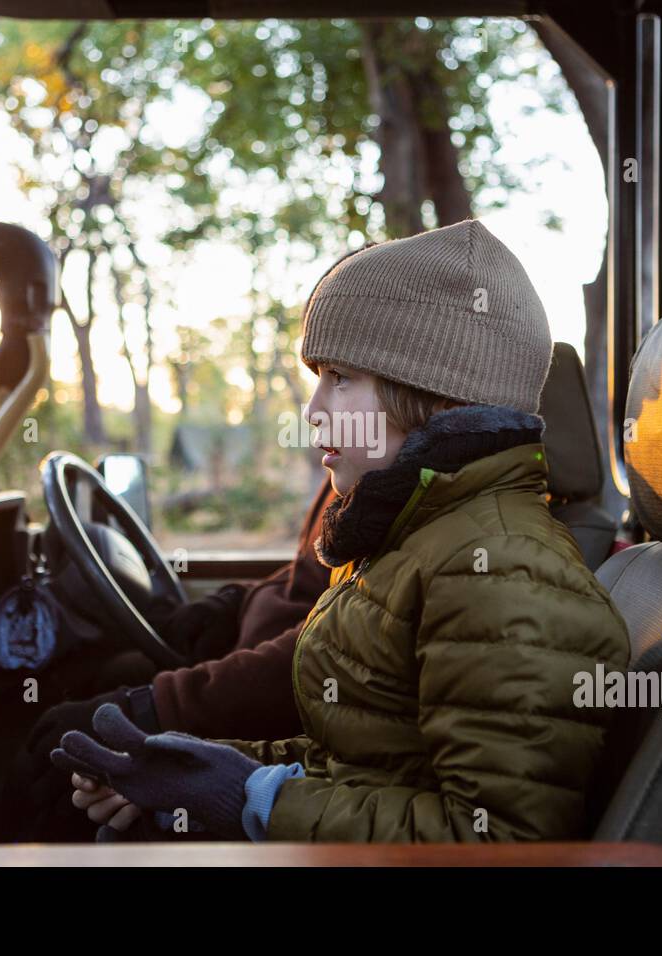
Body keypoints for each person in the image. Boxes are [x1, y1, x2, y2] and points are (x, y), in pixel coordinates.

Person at [53, 220, 631, 842]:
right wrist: (194, 768)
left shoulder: (503, 572)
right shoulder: (412, 542)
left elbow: (495, 842)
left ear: (429, 393)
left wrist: (255, 796)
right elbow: (361, 763)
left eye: (340, 378)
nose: (313, 411)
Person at [0, 478, 334, 842]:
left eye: (339, 414)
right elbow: (306, 577)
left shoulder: (377, 484)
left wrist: (162, 704)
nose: (312, 417)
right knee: (103, 672)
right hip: (249, 662)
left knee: (59, 745)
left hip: (267, 704)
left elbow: (316, 658)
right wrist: (231, 602)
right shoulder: (353, 476)